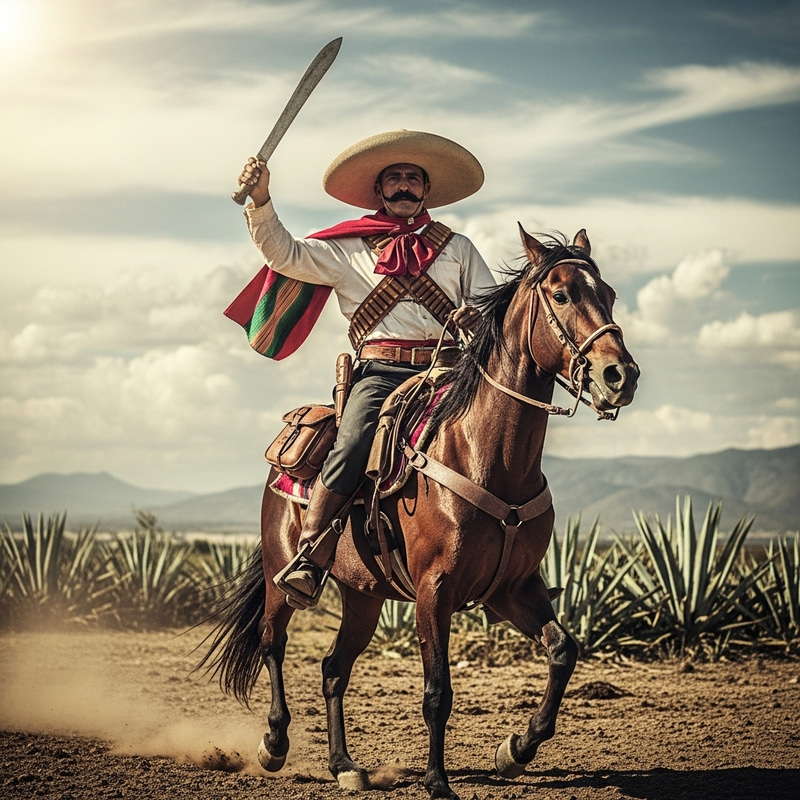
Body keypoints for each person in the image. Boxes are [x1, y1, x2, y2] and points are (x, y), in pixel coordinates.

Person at [232, 129, 496, 607]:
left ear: (426, 189)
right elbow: (285, 254)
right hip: (381, 374)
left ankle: (506, 562)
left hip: (449, 373)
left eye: (412, 178)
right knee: (352, 442)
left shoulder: (458, 248)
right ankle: (311, 553)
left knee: (501, 437)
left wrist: (474, 319)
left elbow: (487, 309)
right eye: (394, 178)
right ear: (379, 190)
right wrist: (262, 199)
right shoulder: (348, 247)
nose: (403, 186)